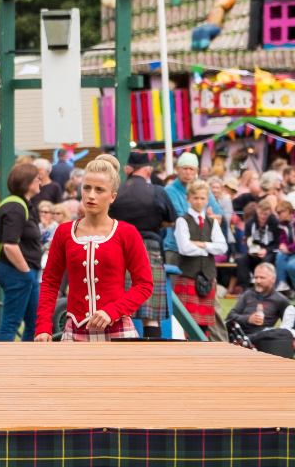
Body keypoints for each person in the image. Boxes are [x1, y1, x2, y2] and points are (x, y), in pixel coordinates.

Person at [36, 156, 152, 341]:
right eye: (87, 188)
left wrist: (113, 311)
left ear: (112, 196)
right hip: (75, 331)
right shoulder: (64, 232)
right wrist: (43, 327)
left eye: (99, 190)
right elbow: (50, 282)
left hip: (118, 330)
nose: (91, 195)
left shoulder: (127, 233)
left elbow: (144, 285)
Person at [108, 150, 174, 338]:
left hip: (120, 248)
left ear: (128, 169)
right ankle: (153, 358)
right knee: (150, 313)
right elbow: (171, 219)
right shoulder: (157, 192)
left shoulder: (116, 193)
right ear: (148, 170)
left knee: (117, 308)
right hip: (150, 248)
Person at [0, 160, 43, 342]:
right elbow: (9, 245)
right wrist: (26, 272)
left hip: (26, 271)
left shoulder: (24, 205)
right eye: (37, 178)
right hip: (18, 271)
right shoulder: (15, 208)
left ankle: (26, 361)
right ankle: (2, 365)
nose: (40, 182)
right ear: (27, 182)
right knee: (11, 322)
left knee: (35, 322)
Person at [172, 179, 227, 333]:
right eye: (195, 198)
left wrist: (202, 245)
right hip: (188, 276)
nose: (199, 201)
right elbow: (185, 249)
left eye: (202, 198)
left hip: (208, 278)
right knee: (185, 324)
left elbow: (222, 247)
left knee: (204, 326)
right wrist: (210, 248)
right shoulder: (182, 221)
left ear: (207, 199)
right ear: (188, 198)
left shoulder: (212, 222)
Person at [225, 261, 294, 358]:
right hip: (238, 333)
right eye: (256, 277)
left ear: (273, 279)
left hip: (262, 337)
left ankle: (247, 341)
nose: (258, 281)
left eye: (262, 278)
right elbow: (230, 317)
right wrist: (248, 319)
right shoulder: (248, 294)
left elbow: (288, 327)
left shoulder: (280, 300)